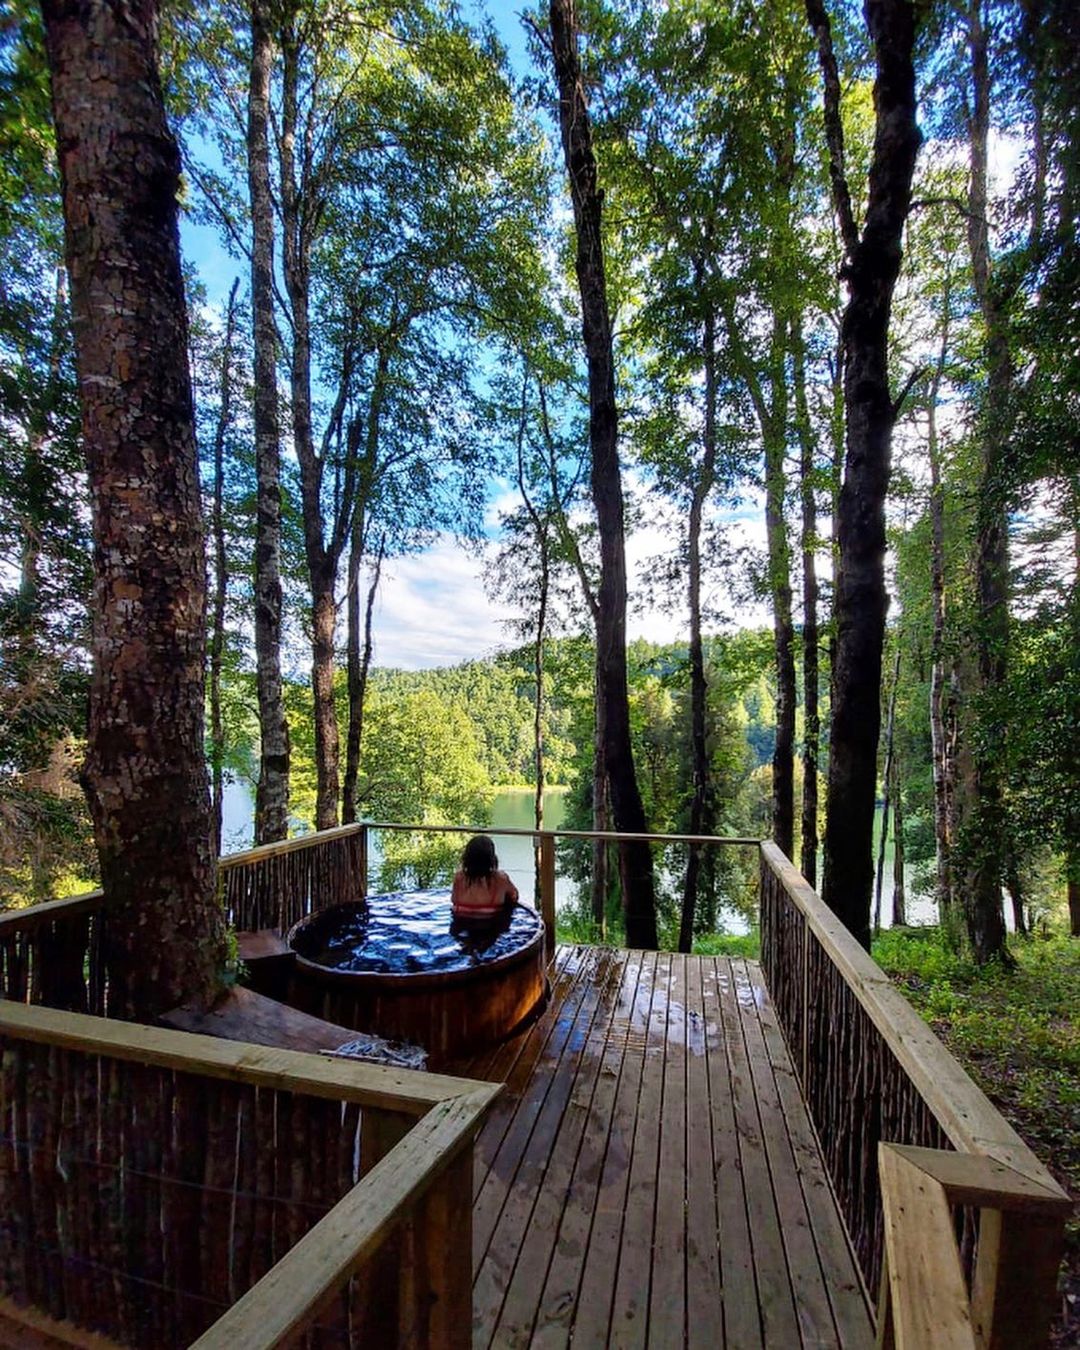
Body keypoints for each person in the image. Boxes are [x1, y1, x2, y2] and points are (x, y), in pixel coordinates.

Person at [451, 834, 518, 921]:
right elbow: (514, 896)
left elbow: (453, 900)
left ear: (467, 858)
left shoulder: (459, 877)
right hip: (492, 926)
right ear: (492, 858)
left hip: (460, 922)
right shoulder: (501, 879)